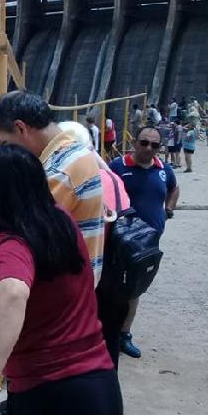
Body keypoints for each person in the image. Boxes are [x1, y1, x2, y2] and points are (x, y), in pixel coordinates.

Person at [0, 144, 123, 415]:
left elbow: (14, 293)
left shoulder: (12, 244)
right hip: (99, 388)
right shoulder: (58, 220)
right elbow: (50, 298)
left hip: (53, 402)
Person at [0, 91, 106, 285]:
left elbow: (21, 235)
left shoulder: (58, 173)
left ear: (20, 128)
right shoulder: (75, 152)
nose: (4, 151)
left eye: (4, 143)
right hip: (77, 291)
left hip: (59, 297)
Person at [59, 121, 132, 367]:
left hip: (94, 275)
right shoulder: (112, 177)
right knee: (109, 341)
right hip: (119, 271)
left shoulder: (77, 178)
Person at [108, 126, 180, 360]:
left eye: (155, 145)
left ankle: (123, 335)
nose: (149, 148)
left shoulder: (163, 169)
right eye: (144, 142)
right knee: (110, 287)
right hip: (120, 242)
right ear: (135, 142)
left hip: (148, 244)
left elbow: (174, 188)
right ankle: (103, 334)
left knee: (135, 289)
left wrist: (168, 209)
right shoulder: (118, 167)